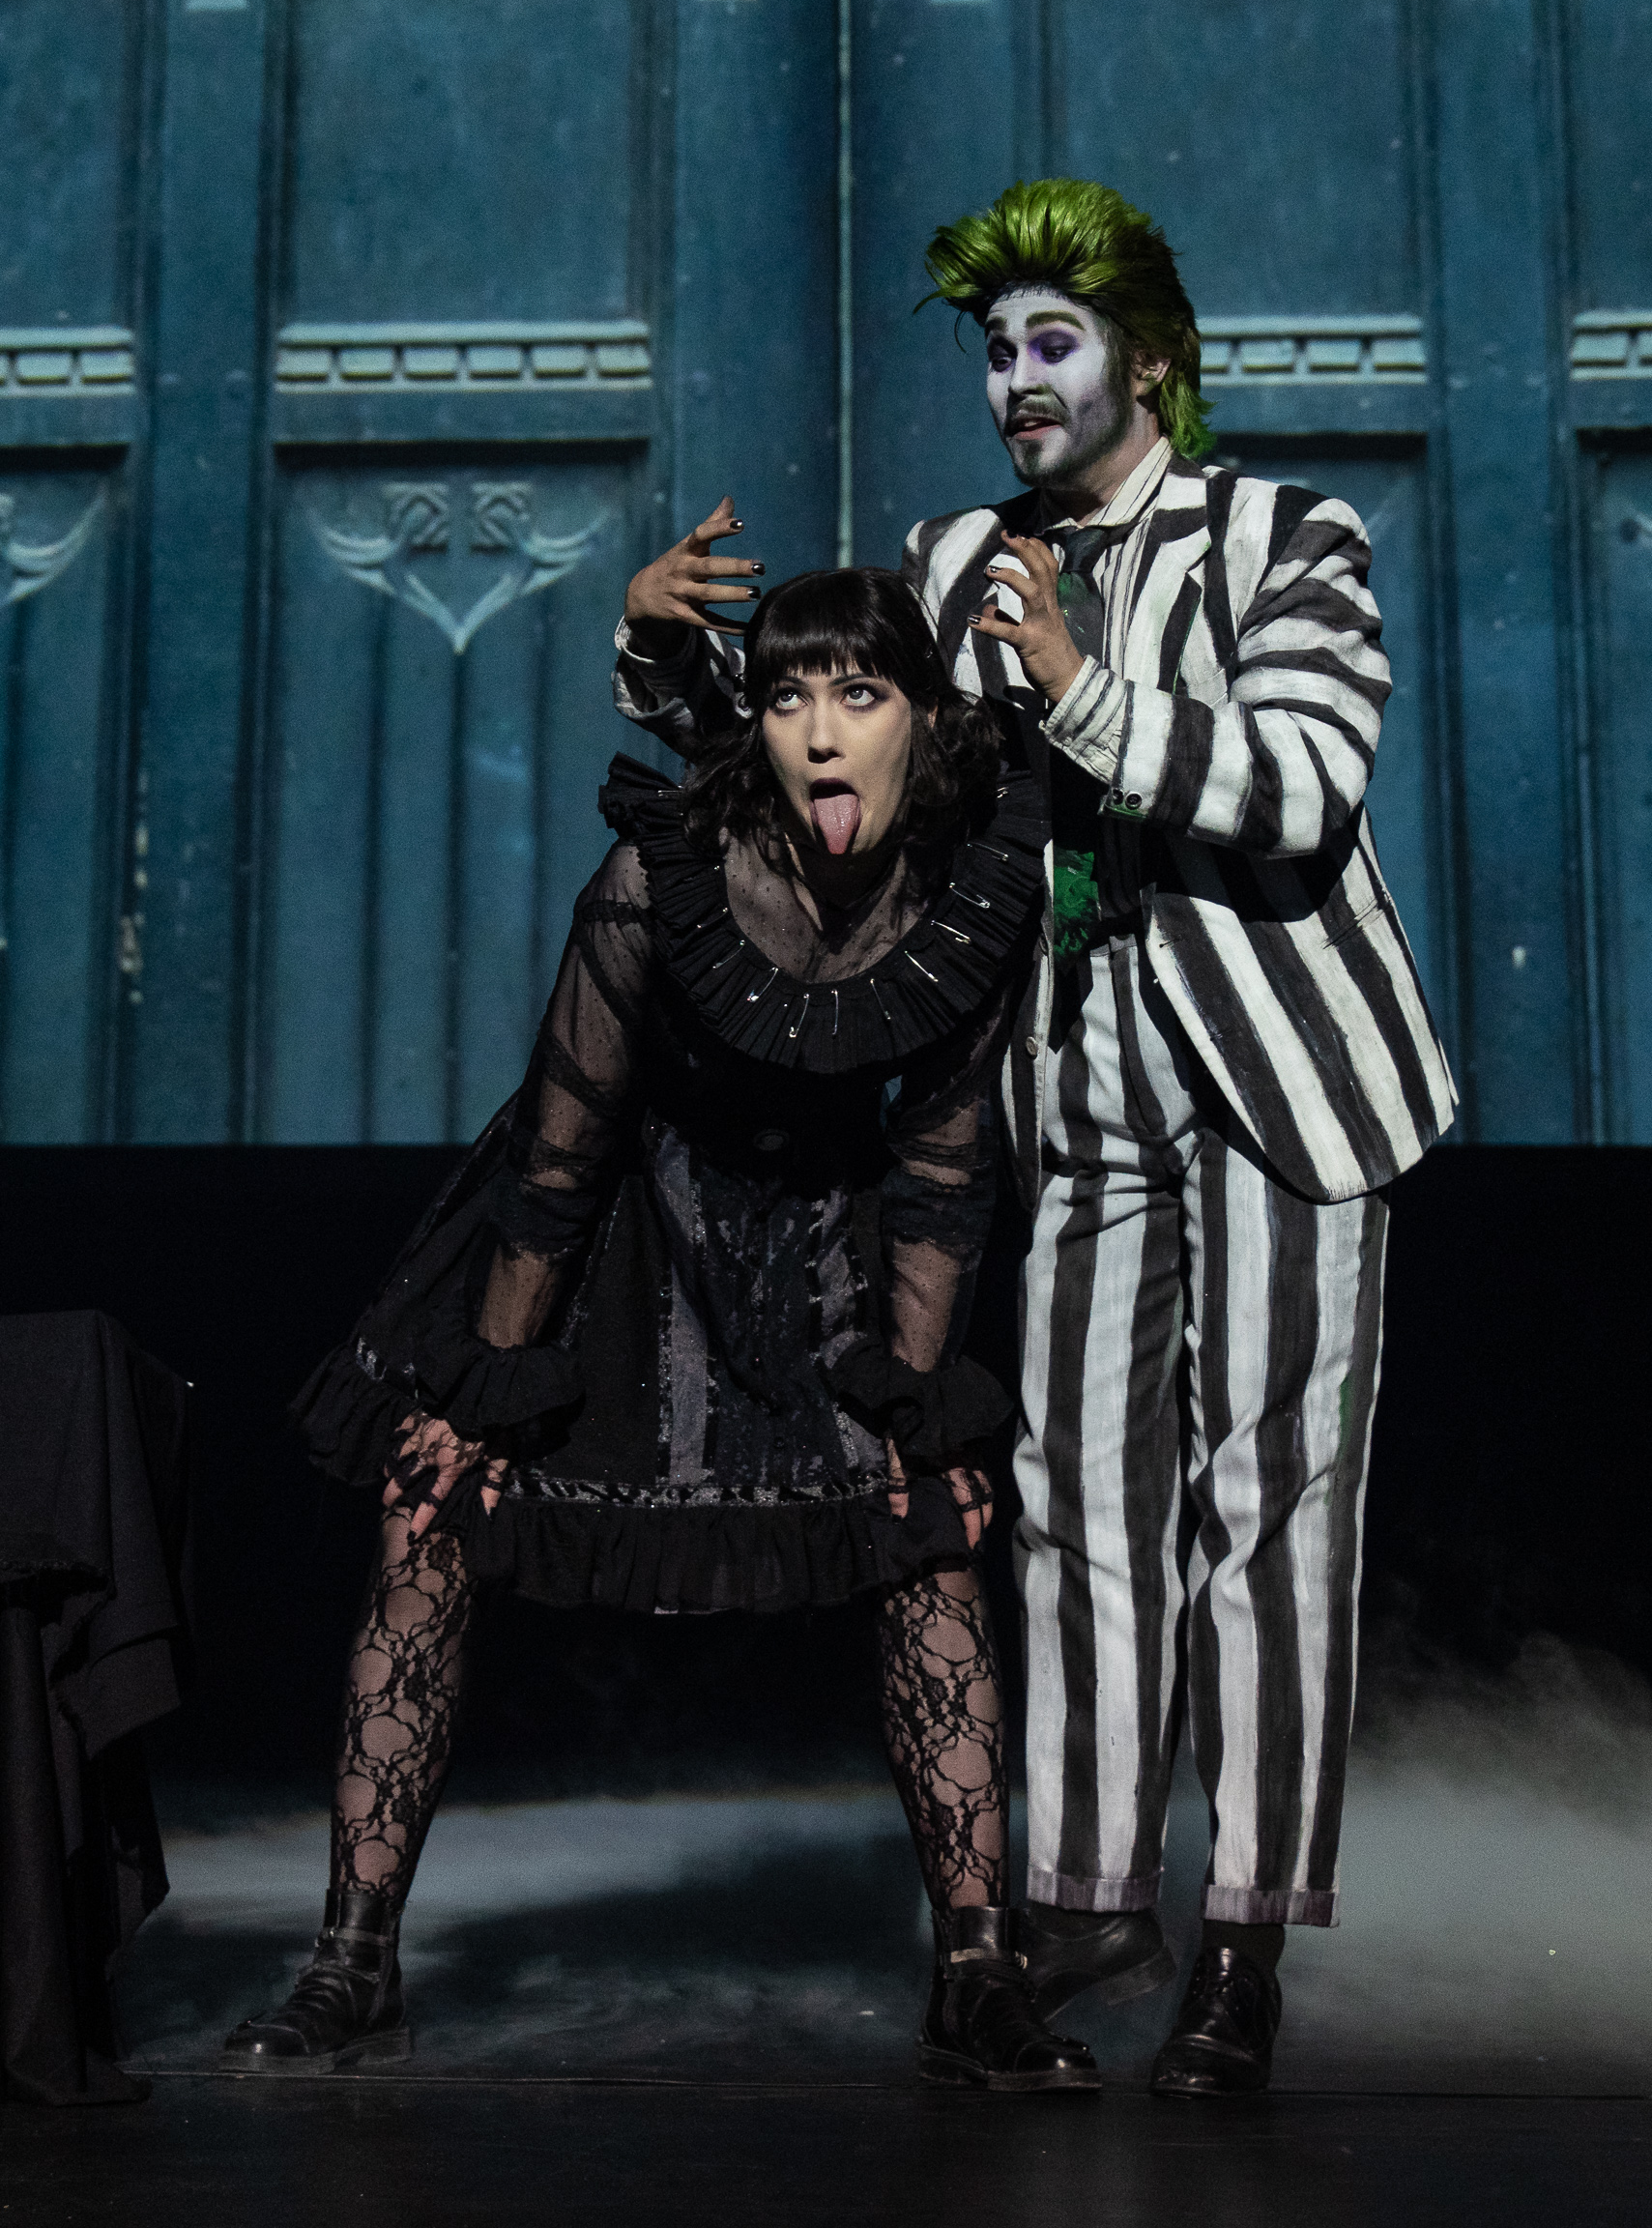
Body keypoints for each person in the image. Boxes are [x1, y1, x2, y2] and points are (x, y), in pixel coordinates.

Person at [612, 179, 1458, 2097]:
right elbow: (838, 754)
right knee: (1075, 1497)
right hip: (1074, 1089)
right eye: (995, 349)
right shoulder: (953, 559)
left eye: (1051, 341)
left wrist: (1076, 686)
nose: (1014, 379)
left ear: (1146, 358)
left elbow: (1303, 784)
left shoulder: (1284, 536)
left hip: (1285, 1083)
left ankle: (1241, 1936)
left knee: (1269, 1507)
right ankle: (1085, 1893)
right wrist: (669, 664)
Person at [221, 565, 1100, 2094]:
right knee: (432, 1513)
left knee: (928, 1535)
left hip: (822, 1242)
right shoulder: (662, 873)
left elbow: (945, 1166)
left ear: (921, 715)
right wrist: (494, 1383)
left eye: (858, 694)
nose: (818, 733)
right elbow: (562, 1150)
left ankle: (975, 1973)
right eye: (786, 695)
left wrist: (909, 1393)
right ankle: (353, 1962)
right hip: (621, 1237)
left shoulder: (968, 896)